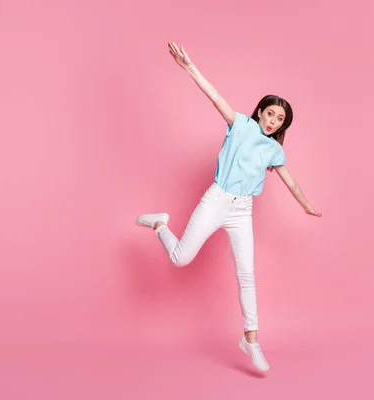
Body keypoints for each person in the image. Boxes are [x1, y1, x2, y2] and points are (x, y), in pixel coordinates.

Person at [135, 41, 322, 373]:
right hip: (217, 199)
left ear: (282, 126)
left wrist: (306, 205)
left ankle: (250, 341)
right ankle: (159, 224)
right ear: (260, 112)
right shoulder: (240, 126)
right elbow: (214, 96)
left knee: (247, 275)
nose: (273, 121)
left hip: (242, 210)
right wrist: (189, 67)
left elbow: (290, 181)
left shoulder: (274, 152)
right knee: (180, 259)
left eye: (280, 119)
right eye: (270, 114)